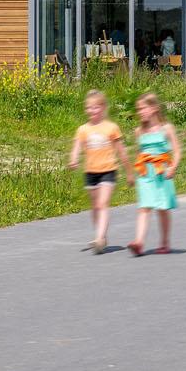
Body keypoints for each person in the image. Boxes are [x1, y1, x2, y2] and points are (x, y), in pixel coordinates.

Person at [67, 89, 130, 254]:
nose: (91, 111)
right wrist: (73, 159)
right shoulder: (83, 129)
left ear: (102, 108)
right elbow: (77, 147)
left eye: (95, 107)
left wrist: (129, 172)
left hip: (109, 170)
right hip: (90, 172)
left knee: (102, 204)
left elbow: (122, 151)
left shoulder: (111, 127)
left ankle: (100, 238)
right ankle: (100, 235)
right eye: (88, 108)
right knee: (95, 207)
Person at [127, 92, 180, 256]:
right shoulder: (139, 131)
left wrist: (173, 168)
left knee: (162, 208)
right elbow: (139, 152)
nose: (140, 112)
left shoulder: (166, 129)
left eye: (143, 108)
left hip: (162, 171)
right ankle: (139, 242)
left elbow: (177, 152)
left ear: (154, 108)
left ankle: (164, 242)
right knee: (144, 207)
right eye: (139, 109)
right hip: (145, 173)